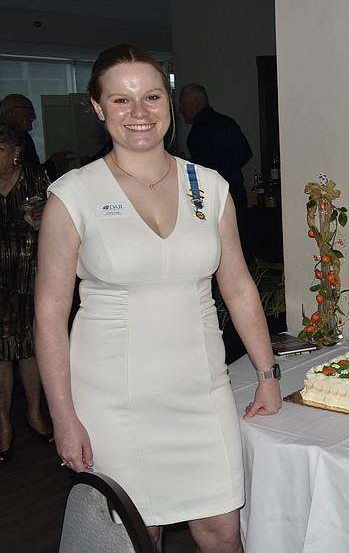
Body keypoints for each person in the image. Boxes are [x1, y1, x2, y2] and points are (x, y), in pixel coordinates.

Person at [34, 44, 281, 552]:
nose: (139, 113)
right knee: (134, 536)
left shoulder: (208, 186)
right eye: (121, 101)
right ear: (99, 109)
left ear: (168, 103)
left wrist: (267, 373)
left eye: (151, 96)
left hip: (201, 389)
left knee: (223, 533)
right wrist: (63, 415)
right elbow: (49, 313)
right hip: (113, 400)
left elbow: (237, 286)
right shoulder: (72, 195)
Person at [0, 117, 54, 463]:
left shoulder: (36, 177)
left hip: (31, 274)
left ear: (16, 152)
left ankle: (34, 414)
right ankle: (3, 424)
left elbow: (55, 225)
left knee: (30, 347)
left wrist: (37, 216)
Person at [178, 83, 252, 220]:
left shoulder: (198, 131)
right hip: (237, 192)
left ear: (195, 103)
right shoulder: (229, 122)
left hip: (214, 196)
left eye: (182, 103)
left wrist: (183, 163)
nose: (180, 109)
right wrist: (230, 167)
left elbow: (200, 168)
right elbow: (247, 152)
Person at [0, 94, 72, 180]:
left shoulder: (23, 137)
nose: (34, 117)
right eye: (30, 112)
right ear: (12, 111)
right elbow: (31, 177)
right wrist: (53, 163)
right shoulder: (20, 138)